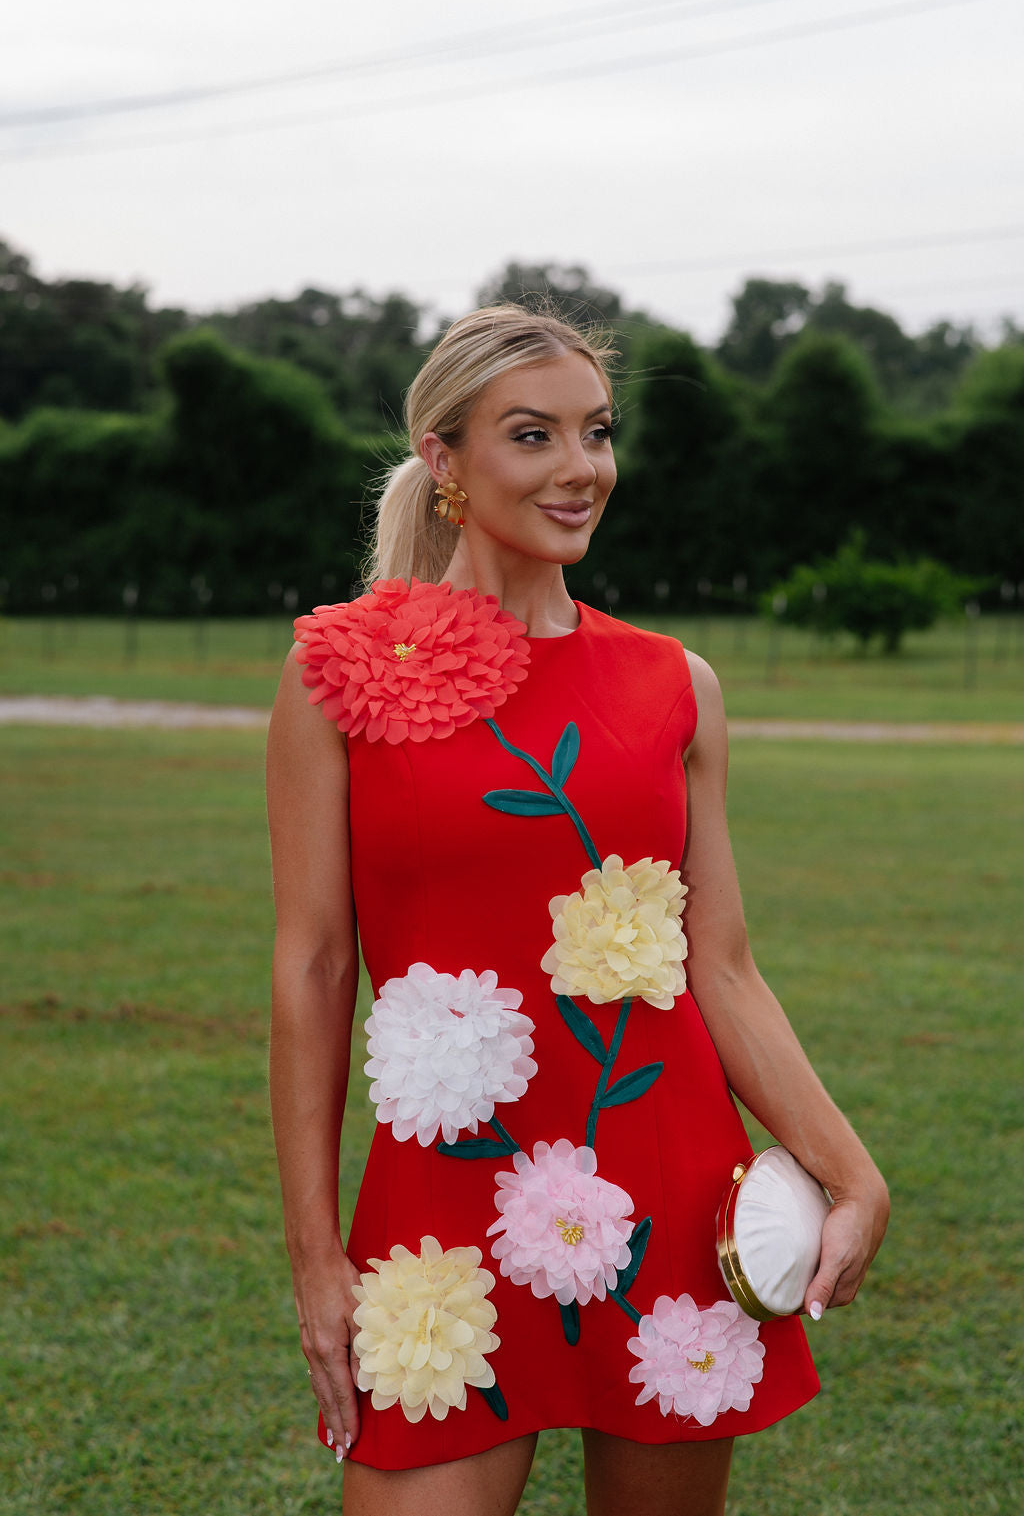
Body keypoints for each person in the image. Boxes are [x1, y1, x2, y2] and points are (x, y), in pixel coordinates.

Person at [266, 305, 889, 1516]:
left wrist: (849, 1168)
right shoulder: (335, 673)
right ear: (444, 459)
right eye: (532, 434)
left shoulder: (675, 684)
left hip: (667, 1187)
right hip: (439, 1208)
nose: (579, 468)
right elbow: (313, 966)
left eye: (595, 433)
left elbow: (722, 965)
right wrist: (315, 1257)